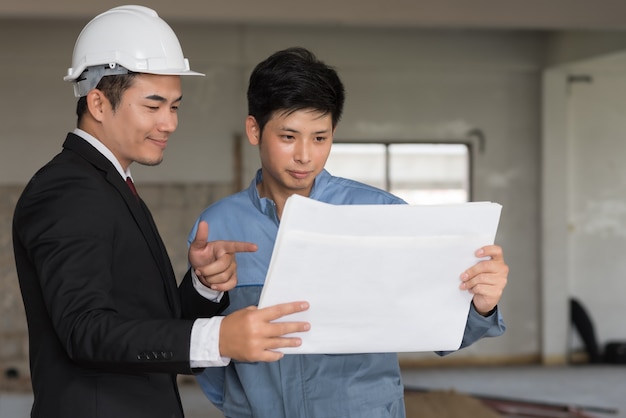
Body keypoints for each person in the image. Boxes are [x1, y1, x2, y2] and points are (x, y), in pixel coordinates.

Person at [12, 7, 310, 418]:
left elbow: (141, 325)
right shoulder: (69, 190)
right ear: (98, 103)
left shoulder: (108, 185)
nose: (169, 123)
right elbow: (85, 331)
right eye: (153, 107)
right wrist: (219, 336)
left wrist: (203, 287)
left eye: (175, 107)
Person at [188, 46, 509, 418]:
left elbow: (438, 331)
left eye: (320, 138)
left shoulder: (381, 214)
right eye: (289, 137)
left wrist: (481, 305)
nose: (305, 155)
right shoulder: (218, 226)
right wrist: (238, 403)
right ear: (254, 129)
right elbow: (201, 343)